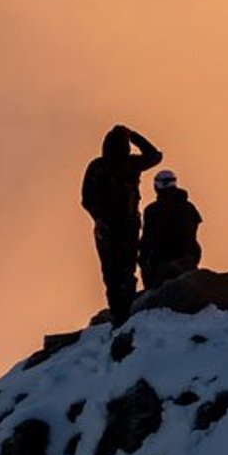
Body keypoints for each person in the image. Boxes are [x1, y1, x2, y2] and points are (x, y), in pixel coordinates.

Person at [79, 125, 161, 323]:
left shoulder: (98, 166)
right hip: (127, 225)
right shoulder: (131, 163)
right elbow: (155, 156)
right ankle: (124, 311)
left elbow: (86, 199)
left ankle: (119, 313)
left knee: (111, 272)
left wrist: (98, 218)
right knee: (126, 269)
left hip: (107, 228)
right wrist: (134, 136)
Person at [139, 169, 203, 295]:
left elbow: (147, 239)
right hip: (188, 259)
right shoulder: (189, 207)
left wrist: (142, 260)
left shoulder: (152, 210)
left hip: (162, 263)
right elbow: (193, 230)